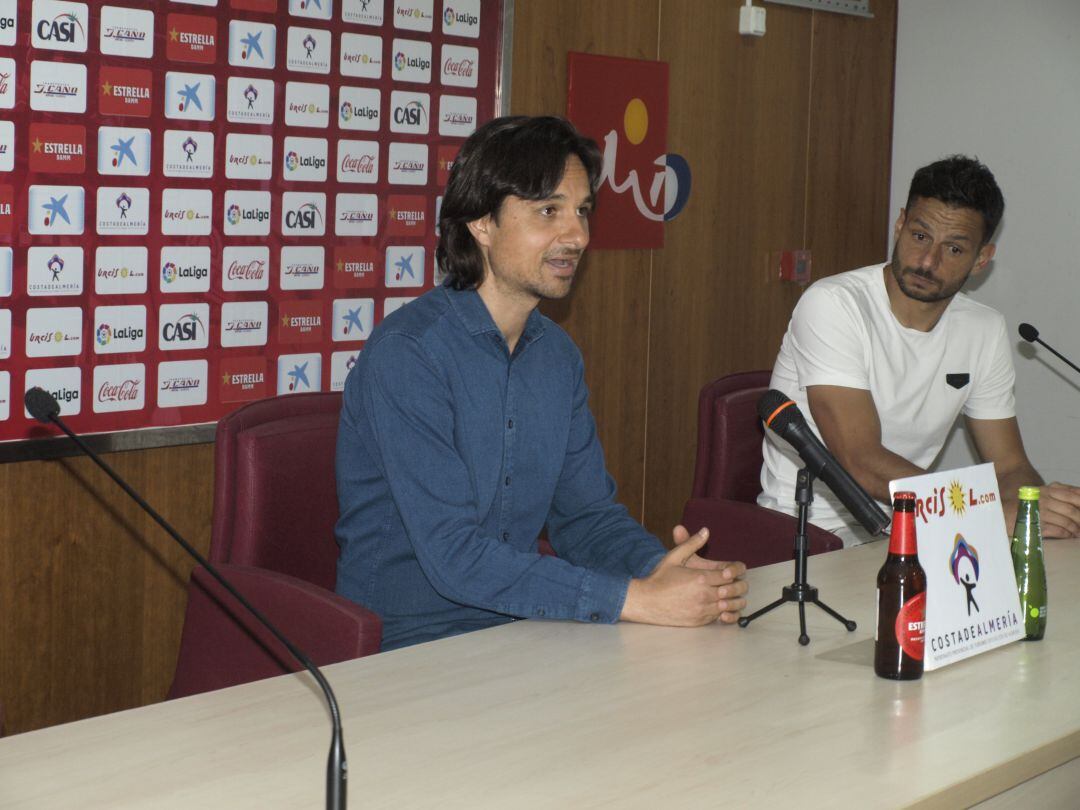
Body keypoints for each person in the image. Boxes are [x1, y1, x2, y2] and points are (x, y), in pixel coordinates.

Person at [335, 116, 748, 650]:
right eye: (548, 211)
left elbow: (587, 519)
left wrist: (672, 575)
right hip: (406, 647)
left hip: (521, 631)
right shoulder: (409, 356)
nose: (576, 235)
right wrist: (636, 600)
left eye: (581, 211)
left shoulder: (556, 356)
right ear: (482, 223)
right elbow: (456, 558)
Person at [759, 155, 1080, 544]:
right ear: (900, 224)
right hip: (808, 535)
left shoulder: (984, 328)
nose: (928, 261)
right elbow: (861, 461)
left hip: (917, 527)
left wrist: (1039, 507)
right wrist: (985, 513)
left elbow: (1010, 466)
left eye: (954, 249)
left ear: (982, 259)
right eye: (920, 236)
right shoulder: (833, 304)